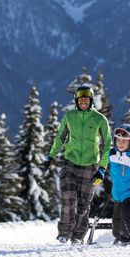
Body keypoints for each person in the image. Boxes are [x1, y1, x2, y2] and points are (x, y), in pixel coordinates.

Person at [44, 85, 112, 245]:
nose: (83, 102)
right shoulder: (69, 116)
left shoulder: (99, 119)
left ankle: (78, 236)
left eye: (86, 99)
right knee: (68, 198)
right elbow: (60, 137)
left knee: (83, 204)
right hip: (70, 163)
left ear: (91, 101)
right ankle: (64, 233)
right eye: (80, 99)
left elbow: (108, 144)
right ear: (76, 101)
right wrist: (51, 156)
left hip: (91, 166)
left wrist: (102, 169)